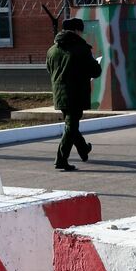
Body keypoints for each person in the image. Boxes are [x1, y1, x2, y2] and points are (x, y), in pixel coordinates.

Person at [46, 17, 102, 171]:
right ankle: (61, 159)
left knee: (71, 124)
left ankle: (83, 149)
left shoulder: (52, 50)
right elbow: (95, 71)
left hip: (59, 93)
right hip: (76, 93)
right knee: (71, 125)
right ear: (77, 31)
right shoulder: (81, 49)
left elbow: (49, 69)